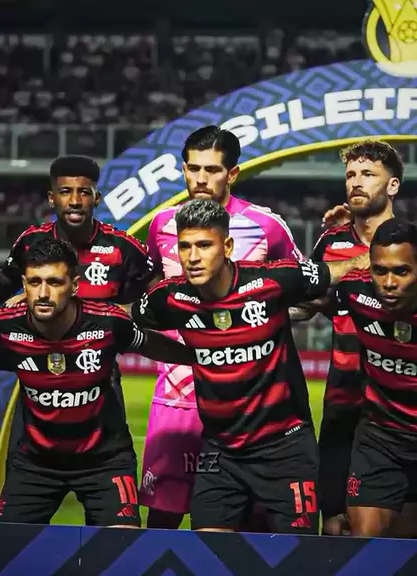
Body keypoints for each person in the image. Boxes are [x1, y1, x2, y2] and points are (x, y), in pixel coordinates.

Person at [131, 199, 369, 533]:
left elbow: (341, 270)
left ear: (227, 246)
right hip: (220, 451)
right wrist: (187, 355)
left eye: (204, 245)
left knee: (296, 554)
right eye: (185, 246)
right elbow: (127, 324)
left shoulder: (275, 280)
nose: (193, 257)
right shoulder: (168, 298)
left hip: (286, 449)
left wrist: (372, 245)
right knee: (206, 551)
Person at [141, 125, 302, 530]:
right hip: (177, 396)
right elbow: (151, 294)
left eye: (212, 170)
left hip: (246, 405)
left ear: (232, 173)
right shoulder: (162, 224)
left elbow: (302, 293)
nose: (201, 179)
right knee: (162, 519)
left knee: (250, 526)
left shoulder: (266, 226)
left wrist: (262, 318)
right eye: (193, 168)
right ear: (183, 169)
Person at [0, 154, 159, 513]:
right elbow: (2, 291)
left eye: (84, 192)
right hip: (37, 375)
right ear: (52, 198)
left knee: (108, 464)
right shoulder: (31, 241)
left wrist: (120, 315)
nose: (75, 200)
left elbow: (157, 300)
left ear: (96, 197)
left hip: (97, 373)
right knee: (17, 505)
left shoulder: (122, 247)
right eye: (66, 191)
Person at [0, 238, 194, 526]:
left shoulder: (108, 322)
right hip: (35, 464)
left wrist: (201, 357)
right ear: (24, 284)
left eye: (54, 282)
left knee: (123, 544)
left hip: (104, 462)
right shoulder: (5, 327)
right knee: (5, 545)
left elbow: (149, 344)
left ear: (74, 285)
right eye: (35, 282)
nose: (43, 293)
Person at [304, 140, 403, 535]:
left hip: (398, 406)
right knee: (335, 525)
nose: (356, 182)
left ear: (393, 186)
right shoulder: (329, 244)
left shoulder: (408, 246)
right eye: (350, 175)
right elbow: (310, 303)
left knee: (395, 531)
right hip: (343, 398)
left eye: (368, 174)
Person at [337, 219, 417, 537]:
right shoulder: (354, 290)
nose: (389, 283)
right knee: (364, 547)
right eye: (380, 271)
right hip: (380, 438)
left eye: (401, 271)